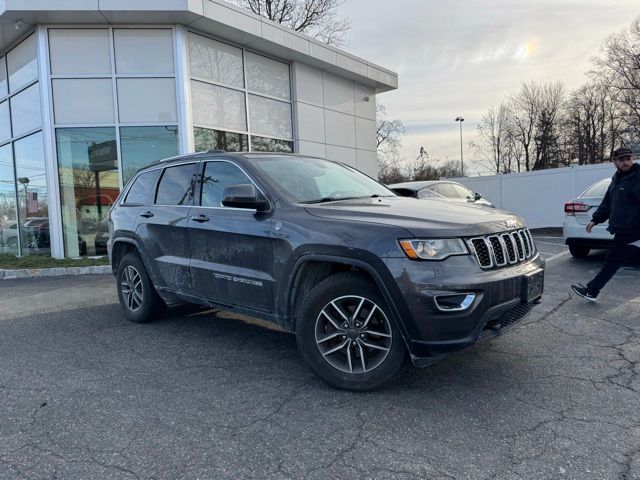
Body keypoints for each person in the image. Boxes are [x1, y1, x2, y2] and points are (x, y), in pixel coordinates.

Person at [572, 147, 640, 301]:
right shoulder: (616, 180)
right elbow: (608, 203)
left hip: (632, 230)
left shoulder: (638, 177)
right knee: (612, 261)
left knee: (612, 261)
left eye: (628, 159)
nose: (626, 162)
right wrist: (595, 219)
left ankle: (591, 291)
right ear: (614, 162)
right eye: (622, 160)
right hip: (625, 230)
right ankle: (592, 291)